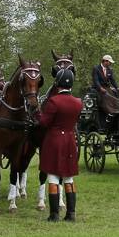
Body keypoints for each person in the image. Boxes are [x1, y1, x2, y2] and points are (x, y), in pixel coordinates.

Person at [39, 68, 83, 221]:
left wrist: (38, 113)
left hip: (55, 141)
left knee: (53, 177)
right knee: (69, 178)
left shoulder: (53, 101)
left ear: (57, 83)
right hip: (70, 140)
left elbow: (44, 123)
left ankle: (54, 214)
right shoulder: (78, 102)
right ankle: (71, 214)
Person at [90, 54, 119, 132]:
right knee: (105, 98)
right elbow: (96, 81)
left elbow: (112, 80)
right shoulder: (96, 69)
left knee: (113, 97)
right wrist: (100, 88)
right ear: (105, 61)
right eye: (109, 62)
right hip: (98, 89)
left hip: (107, 88)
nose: (110, 63)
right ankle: (109, 112)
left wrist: (117, 88)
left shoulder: (110, 70)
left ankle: (115, 112)